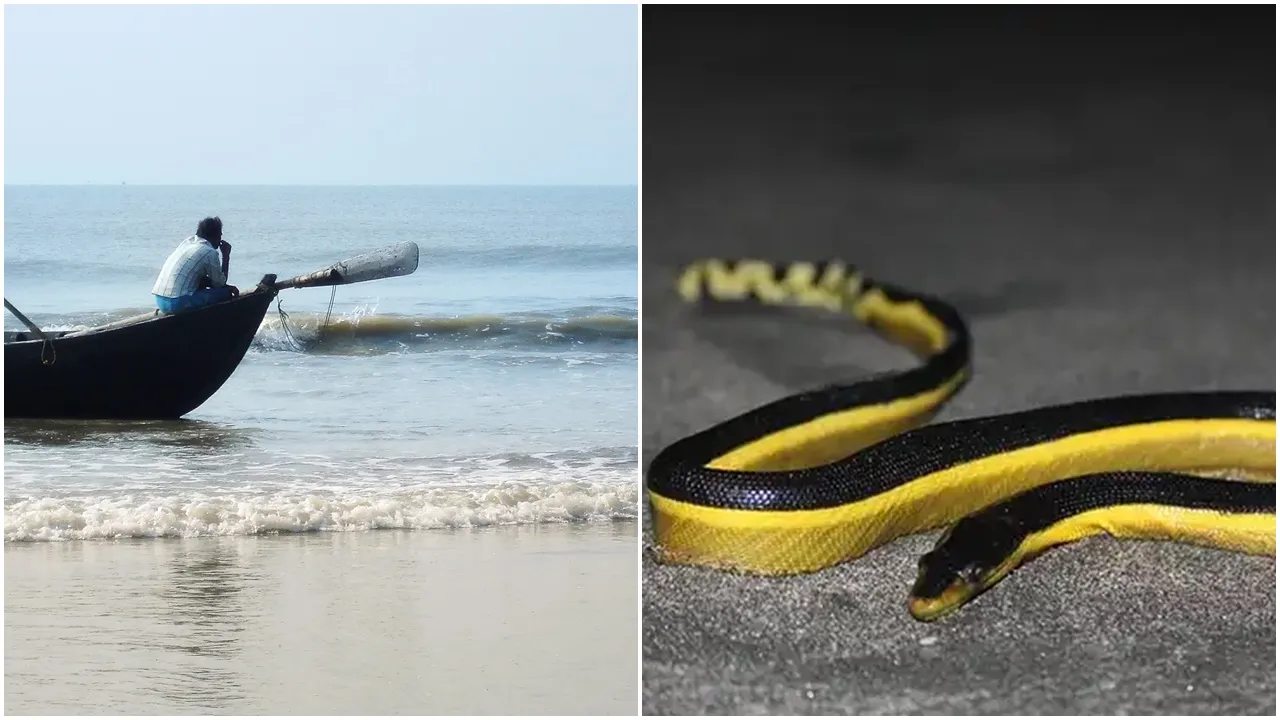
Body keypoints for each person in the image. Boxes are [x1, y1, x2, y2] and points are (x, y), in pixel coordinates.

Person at [152, 216, 240, 313]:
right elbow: (219, 283)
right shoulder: (209, 252)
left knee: (202, 282)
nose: (220, 240)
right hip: (177, 302)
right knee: (226, 294)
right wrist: (226, 256)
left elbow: (204, 280)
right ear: (214, 236)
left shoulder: (187, 243)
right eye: (220, 236)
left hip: (160, 299)